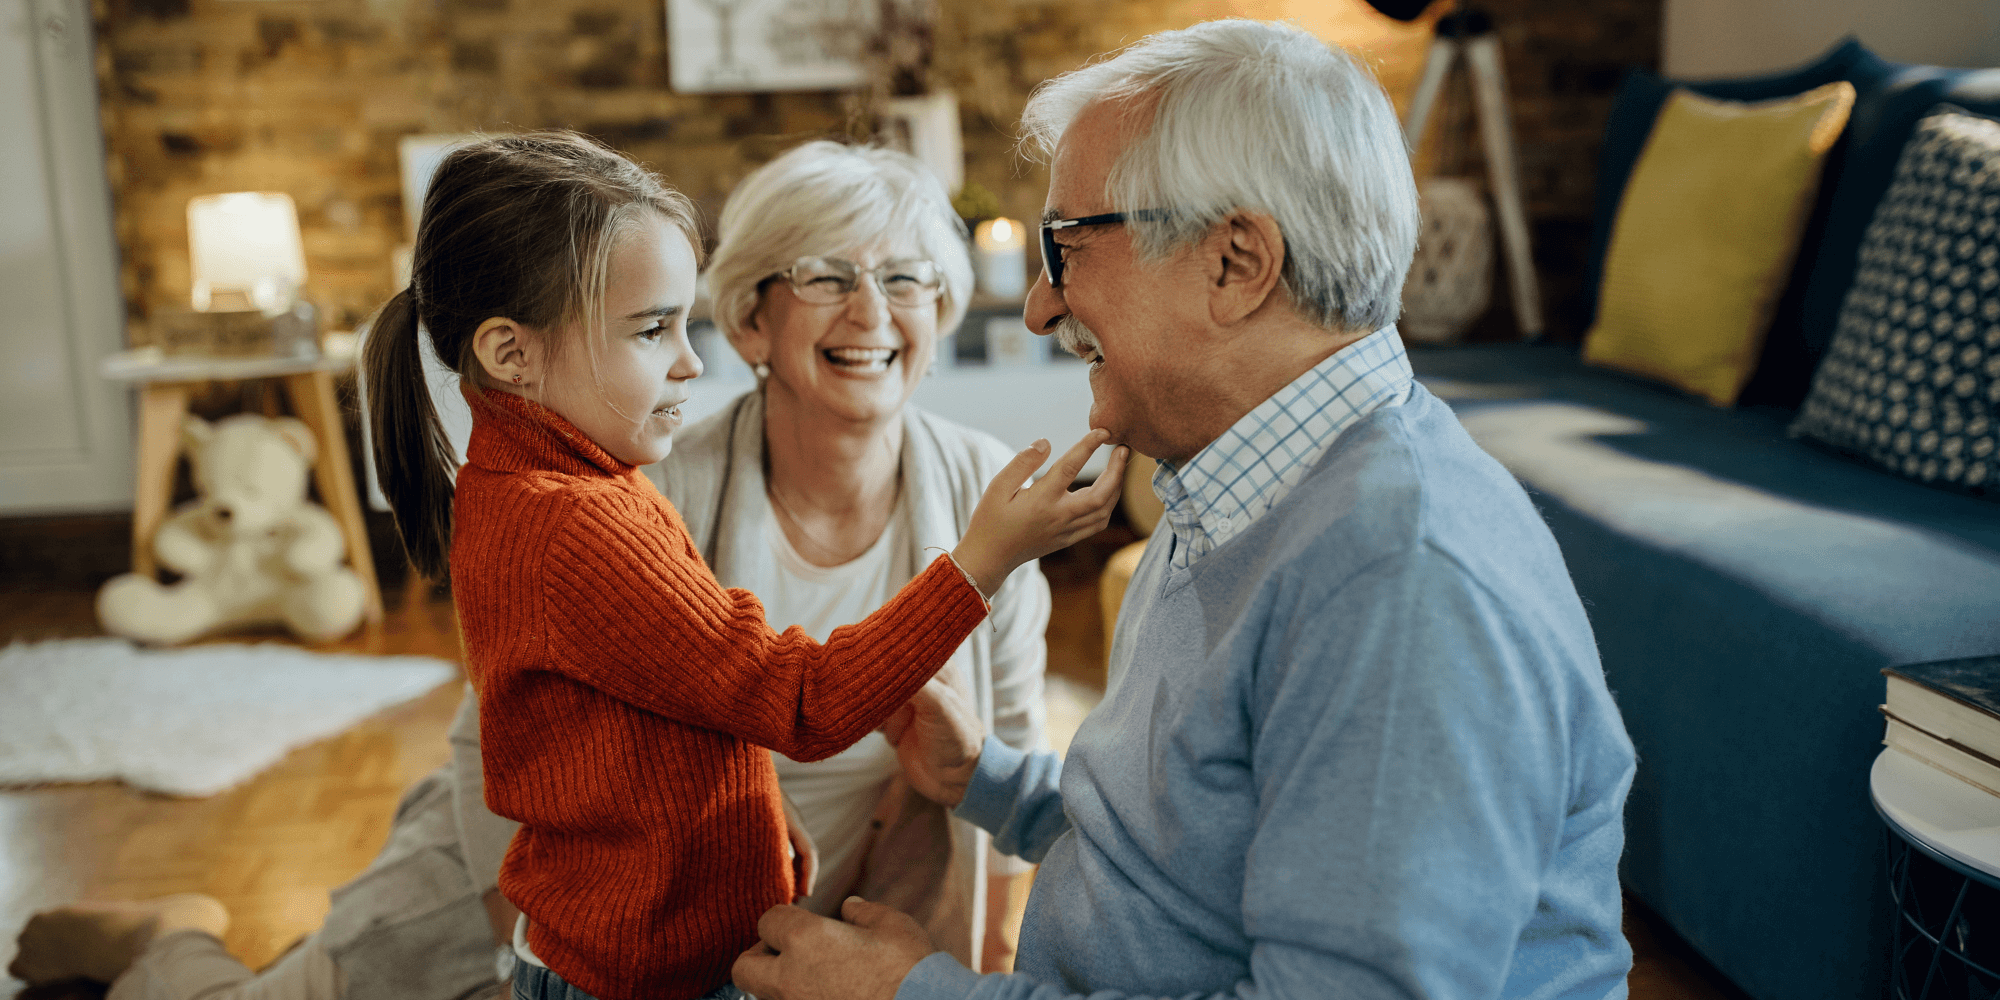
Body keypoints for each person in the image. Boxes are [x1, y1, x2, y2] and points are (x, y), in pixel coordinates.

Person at [731, 19, 1638, 1000]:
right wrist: (985, 780)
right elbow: (1186, 848)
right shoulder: (1234, 481)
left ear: (1234, 262)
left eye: (1065, 246)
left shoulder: (1395, 581)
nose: (1038, 305)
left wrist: (908, 994)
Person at [656, 140, 1050, 972]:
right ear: (751, 322)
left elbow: (1010, 744)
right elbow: (513, 747)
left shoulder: (989, 484)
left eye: (905, 279)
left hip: (886, 914)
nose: (872, 313)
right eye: (826, 276)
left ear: (936, 318)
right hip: (666, 923)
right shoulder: (660, 494)